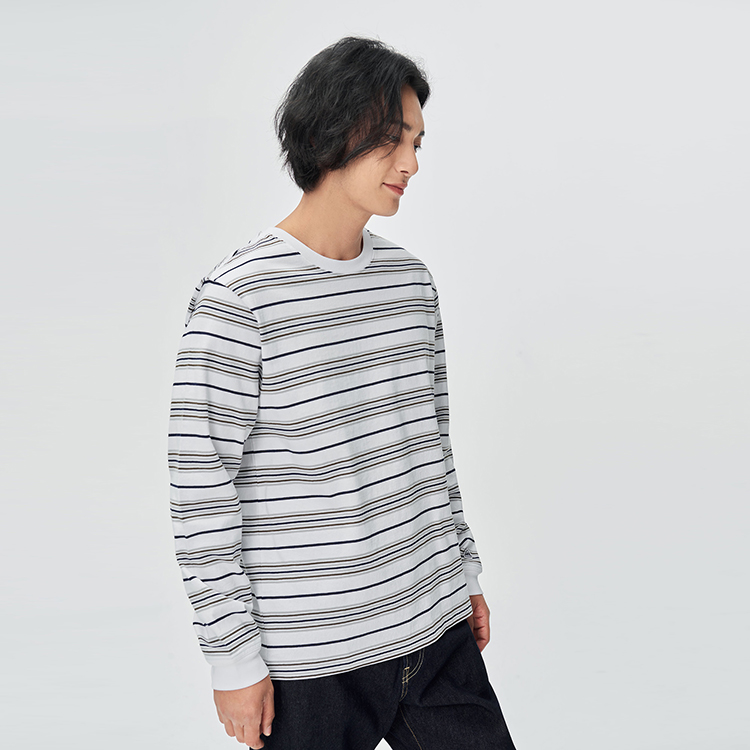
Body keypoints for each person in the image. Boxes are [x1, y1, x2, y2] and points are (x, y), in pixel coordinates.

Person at [168, 36, 517, 750]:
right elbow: (201, 491)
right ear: (330, 132)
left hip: (436, 628)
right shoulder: (239, 299)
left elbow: (431, 449)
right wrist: (232, 660)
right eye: (393, 140)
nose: (411, 164)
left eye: (417, 142)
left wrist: (465, 570)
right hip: (314, 662)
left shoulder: (411, 283)